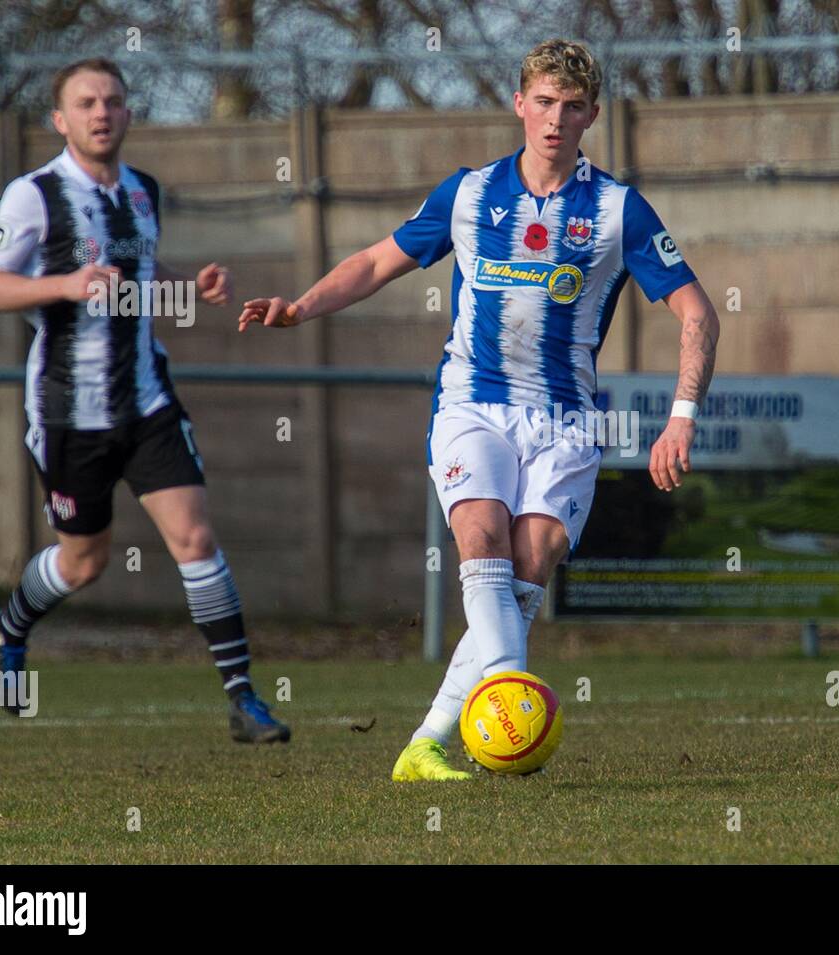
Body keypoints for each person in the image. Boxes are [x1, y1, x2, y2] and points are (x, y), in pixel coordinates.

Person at [239, 38, 719, 777]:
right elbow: (375, 260)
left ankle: (426, 741)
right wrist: (297, 308)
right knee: (482, 533)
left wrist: (681, 415)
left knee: (527, 568)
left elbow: (697, 313)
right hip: (473, 402)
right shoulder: (468, 194)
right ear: (519, 102)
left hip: (564, 420)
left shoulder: (618, 210)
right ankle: (508, 705)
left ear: (592, 114)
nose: (555, 119)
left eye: (572, 106)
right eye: (544, 102)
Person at [0, 57, 289, 742]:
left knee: (195, 537)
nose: (101, 112)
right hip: (67, 411)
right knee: (85, 561)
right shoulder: (35, 195)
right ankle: (13, 624)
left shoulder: (144, 190)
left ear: (129, 113)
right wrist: (63, 286)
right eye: (85, 103)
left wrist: (190, 287)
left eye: (112, 100)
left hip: (146, 400)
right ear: (61, 119)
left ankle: (244, 699)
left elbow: (142, 279)